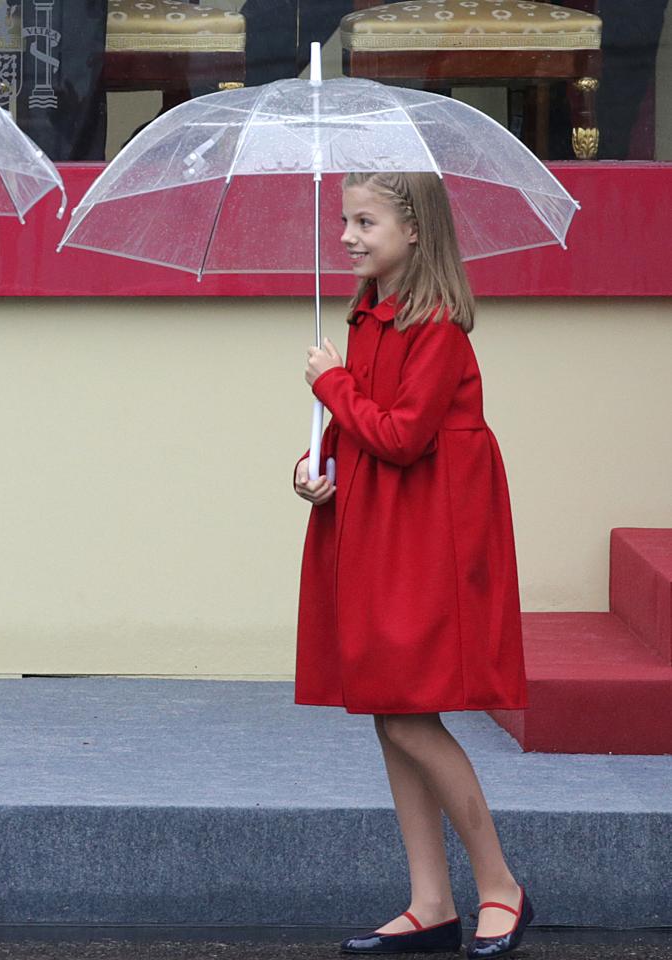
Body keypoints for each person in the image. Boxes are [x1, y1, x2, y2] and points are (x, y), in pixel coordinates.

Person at [295, 171, 531, 959]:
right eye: (344, 222)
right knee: (387, 710)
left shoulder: (438, 332)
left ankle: (499, 885)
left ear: (416, 232)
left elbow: (400, 436)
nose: (349, 237)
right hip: (374, 522)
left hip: (425, 533)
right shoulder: (366, 317)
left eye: (366, 222)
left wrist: (329, 384)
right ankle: (431, 900)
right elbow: (359, 425)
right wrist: (311, 463)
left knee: (408, 712)